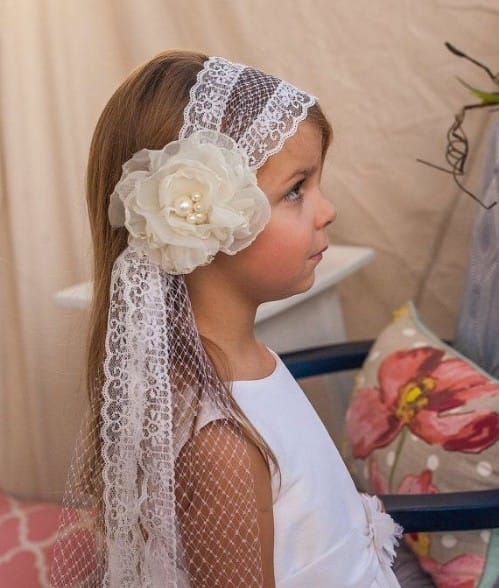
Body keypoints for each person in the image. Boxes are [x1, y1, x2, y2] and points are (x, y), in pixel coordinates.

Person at [50, 50, 402, 588]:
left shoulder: (245, 362)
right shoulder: (221, 446)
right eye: (295, 190)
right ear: (205, 225)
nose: (326, 209)